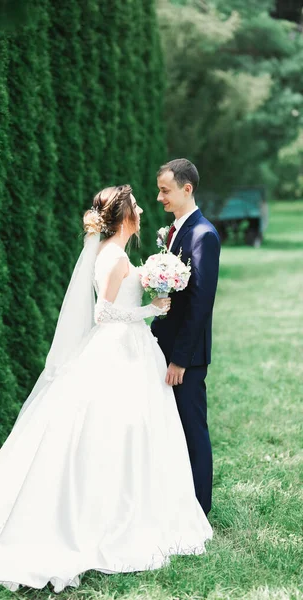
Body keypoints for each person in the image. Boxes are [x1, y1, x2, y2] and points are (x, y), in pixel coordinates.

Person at [0, 185, 212, 594]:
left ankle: (135, 505)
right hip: (120, 350)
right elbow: (105, 313)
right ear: (125, 218)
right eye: (136, 205)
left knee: (134, 431)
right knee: (120, 431)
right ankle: (115, 517)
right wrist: (150, 310)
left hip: (131, 350)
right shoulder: (115, 257)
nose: (141, 208)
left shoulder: (112, 254)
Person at [152, 159, 221, 516]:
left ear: (186, 188)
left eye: (165, 189)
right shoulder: (175, 231)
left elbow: (200, 304)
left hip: (187, 357)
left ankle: (200, 510)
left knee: (192, 427)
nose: (160, 196)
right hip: (162, 346)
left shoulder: (203, 235)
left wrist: (180, 358)